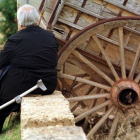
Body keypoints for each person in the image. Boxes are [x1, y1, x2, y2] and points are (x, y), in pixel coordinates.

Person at [0, 4, 58, 133]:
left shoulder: (16, 39)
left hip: (26, 84)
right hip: (48, 84)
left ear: (20, 23)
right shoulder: (50, 36)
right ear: (36, 19)